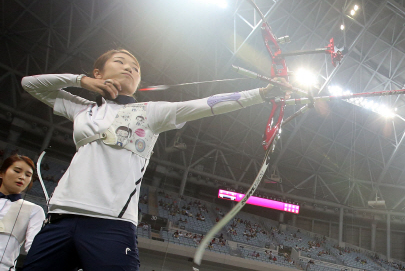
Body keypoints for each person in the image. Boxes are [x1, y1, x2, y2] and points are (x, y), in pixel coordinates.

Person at [21, 49, 290, 271]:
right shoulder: (83, 109)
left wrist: (263, 93)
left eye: (135, 67)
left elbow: (208, 104)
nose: (129, 67)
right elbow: (29, 84)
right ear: (98, 73)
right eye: (120, 61)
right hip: (60, 218)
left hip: (111, 225)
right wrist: (81, 81)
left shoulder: (151, 112)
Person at [0, 155, 45, 271]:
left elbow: (34, 248)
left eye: (28, 175)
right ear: (2, 173)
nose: (22, 177)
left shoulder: (34, 210)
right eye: (17, 171)